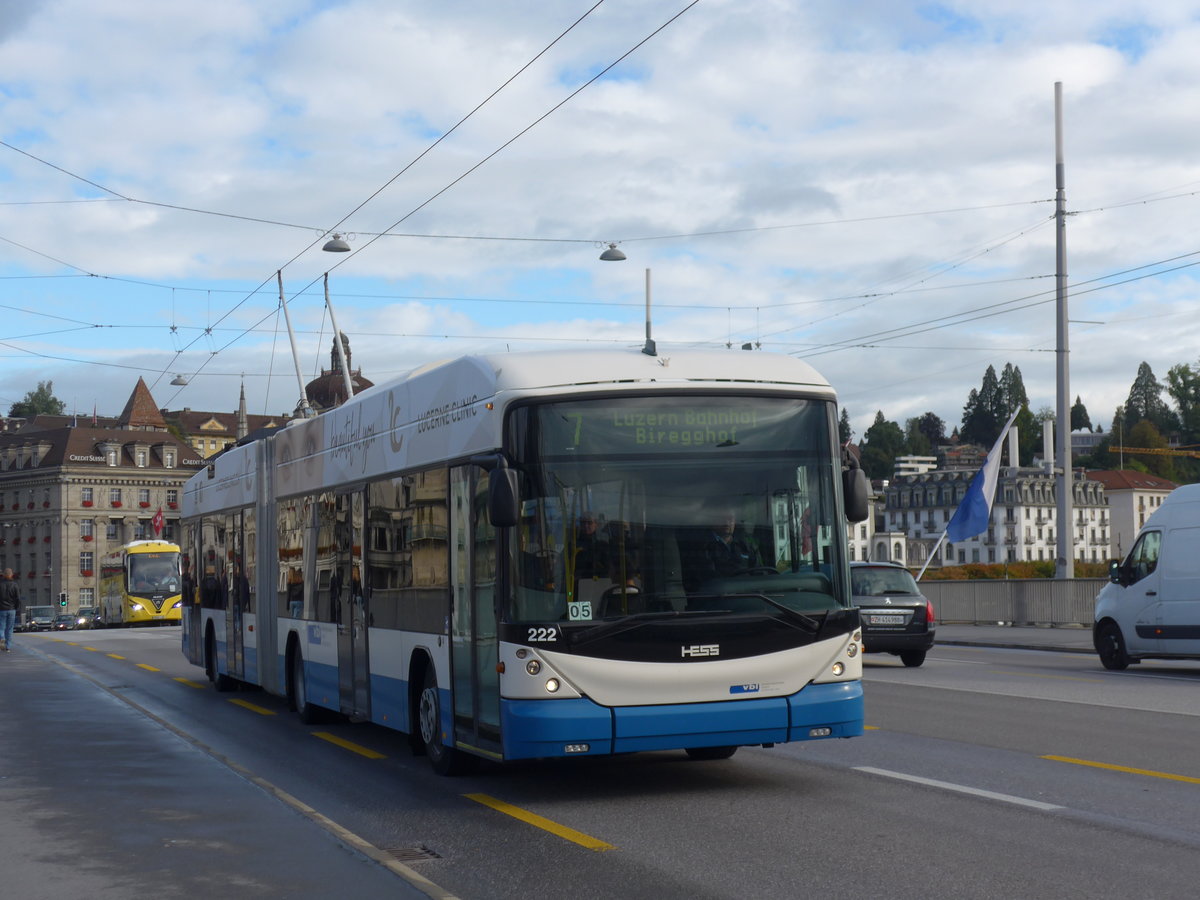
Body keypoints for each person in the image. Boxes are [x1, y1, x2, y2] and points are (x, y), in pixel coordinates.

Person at [703, 508, 762, 577]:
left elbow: (759, 573)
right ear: (712, 522)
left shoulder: (746, 545)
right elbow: (707, 577)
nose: (727, 523)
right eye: (721, 519)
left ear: (735, 522)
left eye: (730, 519)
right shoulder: (703, 547)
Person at [0, 568, 22, 652]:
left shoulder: (0, 584)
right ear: (11, 575)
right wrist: (16, 607)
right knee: (9, 629)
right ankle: (8, 647)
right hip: (11, 609)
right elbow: (18, 598)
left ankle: (2, 638)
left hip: (1, 609)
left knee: (1, 627)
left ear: (3, 575)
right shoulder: (14, 585)